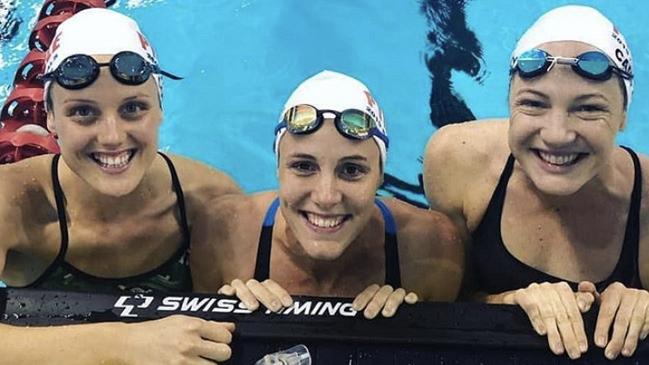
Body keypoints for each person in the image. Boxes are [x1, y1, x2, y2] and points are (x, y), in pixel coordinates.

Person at [0, 8, 240, 364]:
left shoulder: (211, 199)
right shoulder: (13, 202)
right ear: (50, 116)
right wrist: (125, 345)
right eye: (83, 112)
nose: (112, 137)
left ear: (160, 108)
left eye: (133, 108)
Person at [423, 5, 649, 361]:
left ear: (623, 116)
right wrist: (507, 303)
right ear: (510, 103)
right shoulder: (458, 159)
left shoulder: (647, 200)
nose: (557, 134)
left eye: (588, 108)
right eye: (533, 104)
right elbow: (441, 300)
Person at [191, 70, 463, 319]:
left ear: (380, 176)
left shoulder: (432, 246)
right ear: (278, 168)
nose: (326, 197)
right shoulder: (222, 233)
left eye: (352, 170)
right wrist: (228, 315)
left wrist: (408, 326)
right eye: (303, 166)